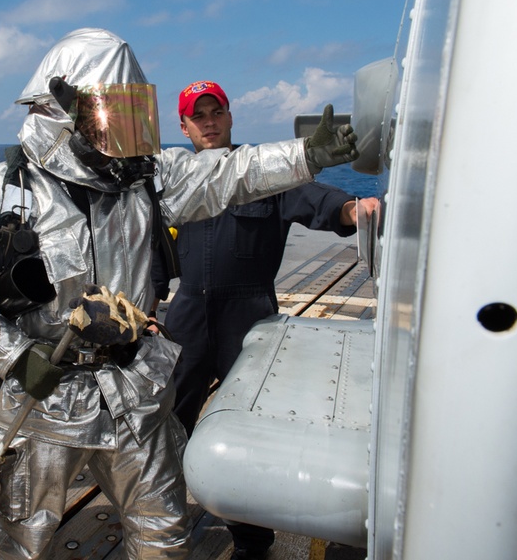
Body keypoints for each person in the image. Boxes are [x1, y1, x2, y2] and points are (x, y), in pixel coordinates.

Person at [0, 28, 358, 560]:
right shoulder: (1, 194)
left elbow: (232, 173)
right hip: (43, 401)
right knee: (13, 542)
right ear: (64, 109)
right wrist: (14, 356)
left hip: (133, 391)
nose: (126, 133)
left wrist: (308, 155)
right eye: (113, 114)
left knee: (165, 532)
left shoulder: (143, 181)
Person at [151, 80, 379, 560]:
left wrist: (353, 208)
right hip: (186, 316)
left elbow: (316, 198)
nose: (208, 122)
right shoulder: (174, 179)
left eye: (216, 112)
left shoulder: (261, 173)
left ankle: (252, 543)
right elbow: (149, 251)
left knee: (248, 438)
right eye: (198, 115)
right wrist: (146, 311)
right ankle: (163, 517)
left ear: (231, 117)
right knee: (168, 424)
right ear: (183, 126)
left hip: (249, 318)